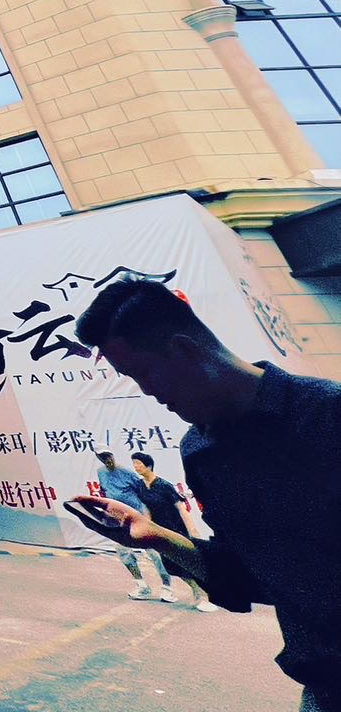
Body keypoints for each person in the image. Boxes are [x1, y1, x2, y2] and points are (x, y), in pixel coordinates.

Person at [69, 279, 341, 712]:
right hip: (325, 688)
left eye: (143, 374)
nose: (147, 392)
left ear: (183, 350)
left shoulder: (327, 414)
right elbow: (248, 574)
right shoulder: (201, 453)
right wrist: (154, 535)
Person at [128, 451, 217, 611]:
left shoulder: (164, 485)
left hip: (177, 530)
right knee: (172, 566)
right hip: (160, 533)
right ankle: (197, 592)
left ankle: (204, 596)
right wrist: (148, 531)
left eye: (139, 464)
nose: (136, 467)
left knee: (188, 563)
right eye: (134, 463)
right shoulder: (140, 486)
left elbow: (181, 508)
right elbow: (146, 509)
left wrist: (192, 530)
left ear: (149, 466)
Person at [93, 449, 176, 602]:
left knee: (154, 552)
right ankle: (142, 586)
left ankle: (167, 588)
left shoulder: (127, 473)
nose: (107, 459)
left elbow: (143, 491)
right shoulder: (101, 472)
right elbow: (105, 491)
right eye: (103, 457)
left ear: (112, 455)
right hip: (120, 520)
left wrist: (151, 515)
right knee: (123, 551)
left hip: (139, 517)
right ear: (98, 457)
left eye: (108, 456)